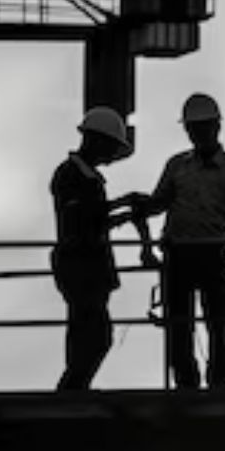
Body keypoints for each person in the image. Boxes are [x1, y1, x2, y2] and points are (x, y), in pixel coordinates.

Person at [132, 92, 225, 389]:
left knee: (218, 325)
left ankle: (218, 385)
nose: (198, 134)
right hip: (177, 255)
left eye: (203, 128)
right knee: (178, 327)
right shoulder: (177, 166)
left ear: (216, 127)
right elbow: (160, 202)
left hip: (212, 254)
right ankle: (186, 385)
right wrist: (140, 210)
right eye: (193, 129)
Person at [49, 106, 137, 391]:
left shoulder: (82, 176)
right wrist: (122, 205)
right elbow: (84, 218)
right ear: (96, 140)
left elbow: (93, 218)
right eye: (110, 147)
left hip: (88, 267)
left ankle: (75, 389)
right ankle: (71, 391)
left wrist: (122, 210)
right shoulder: (70, 176)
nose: (111, 155)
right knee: (94, 337)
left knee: (87, 336)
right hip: (80, 267)